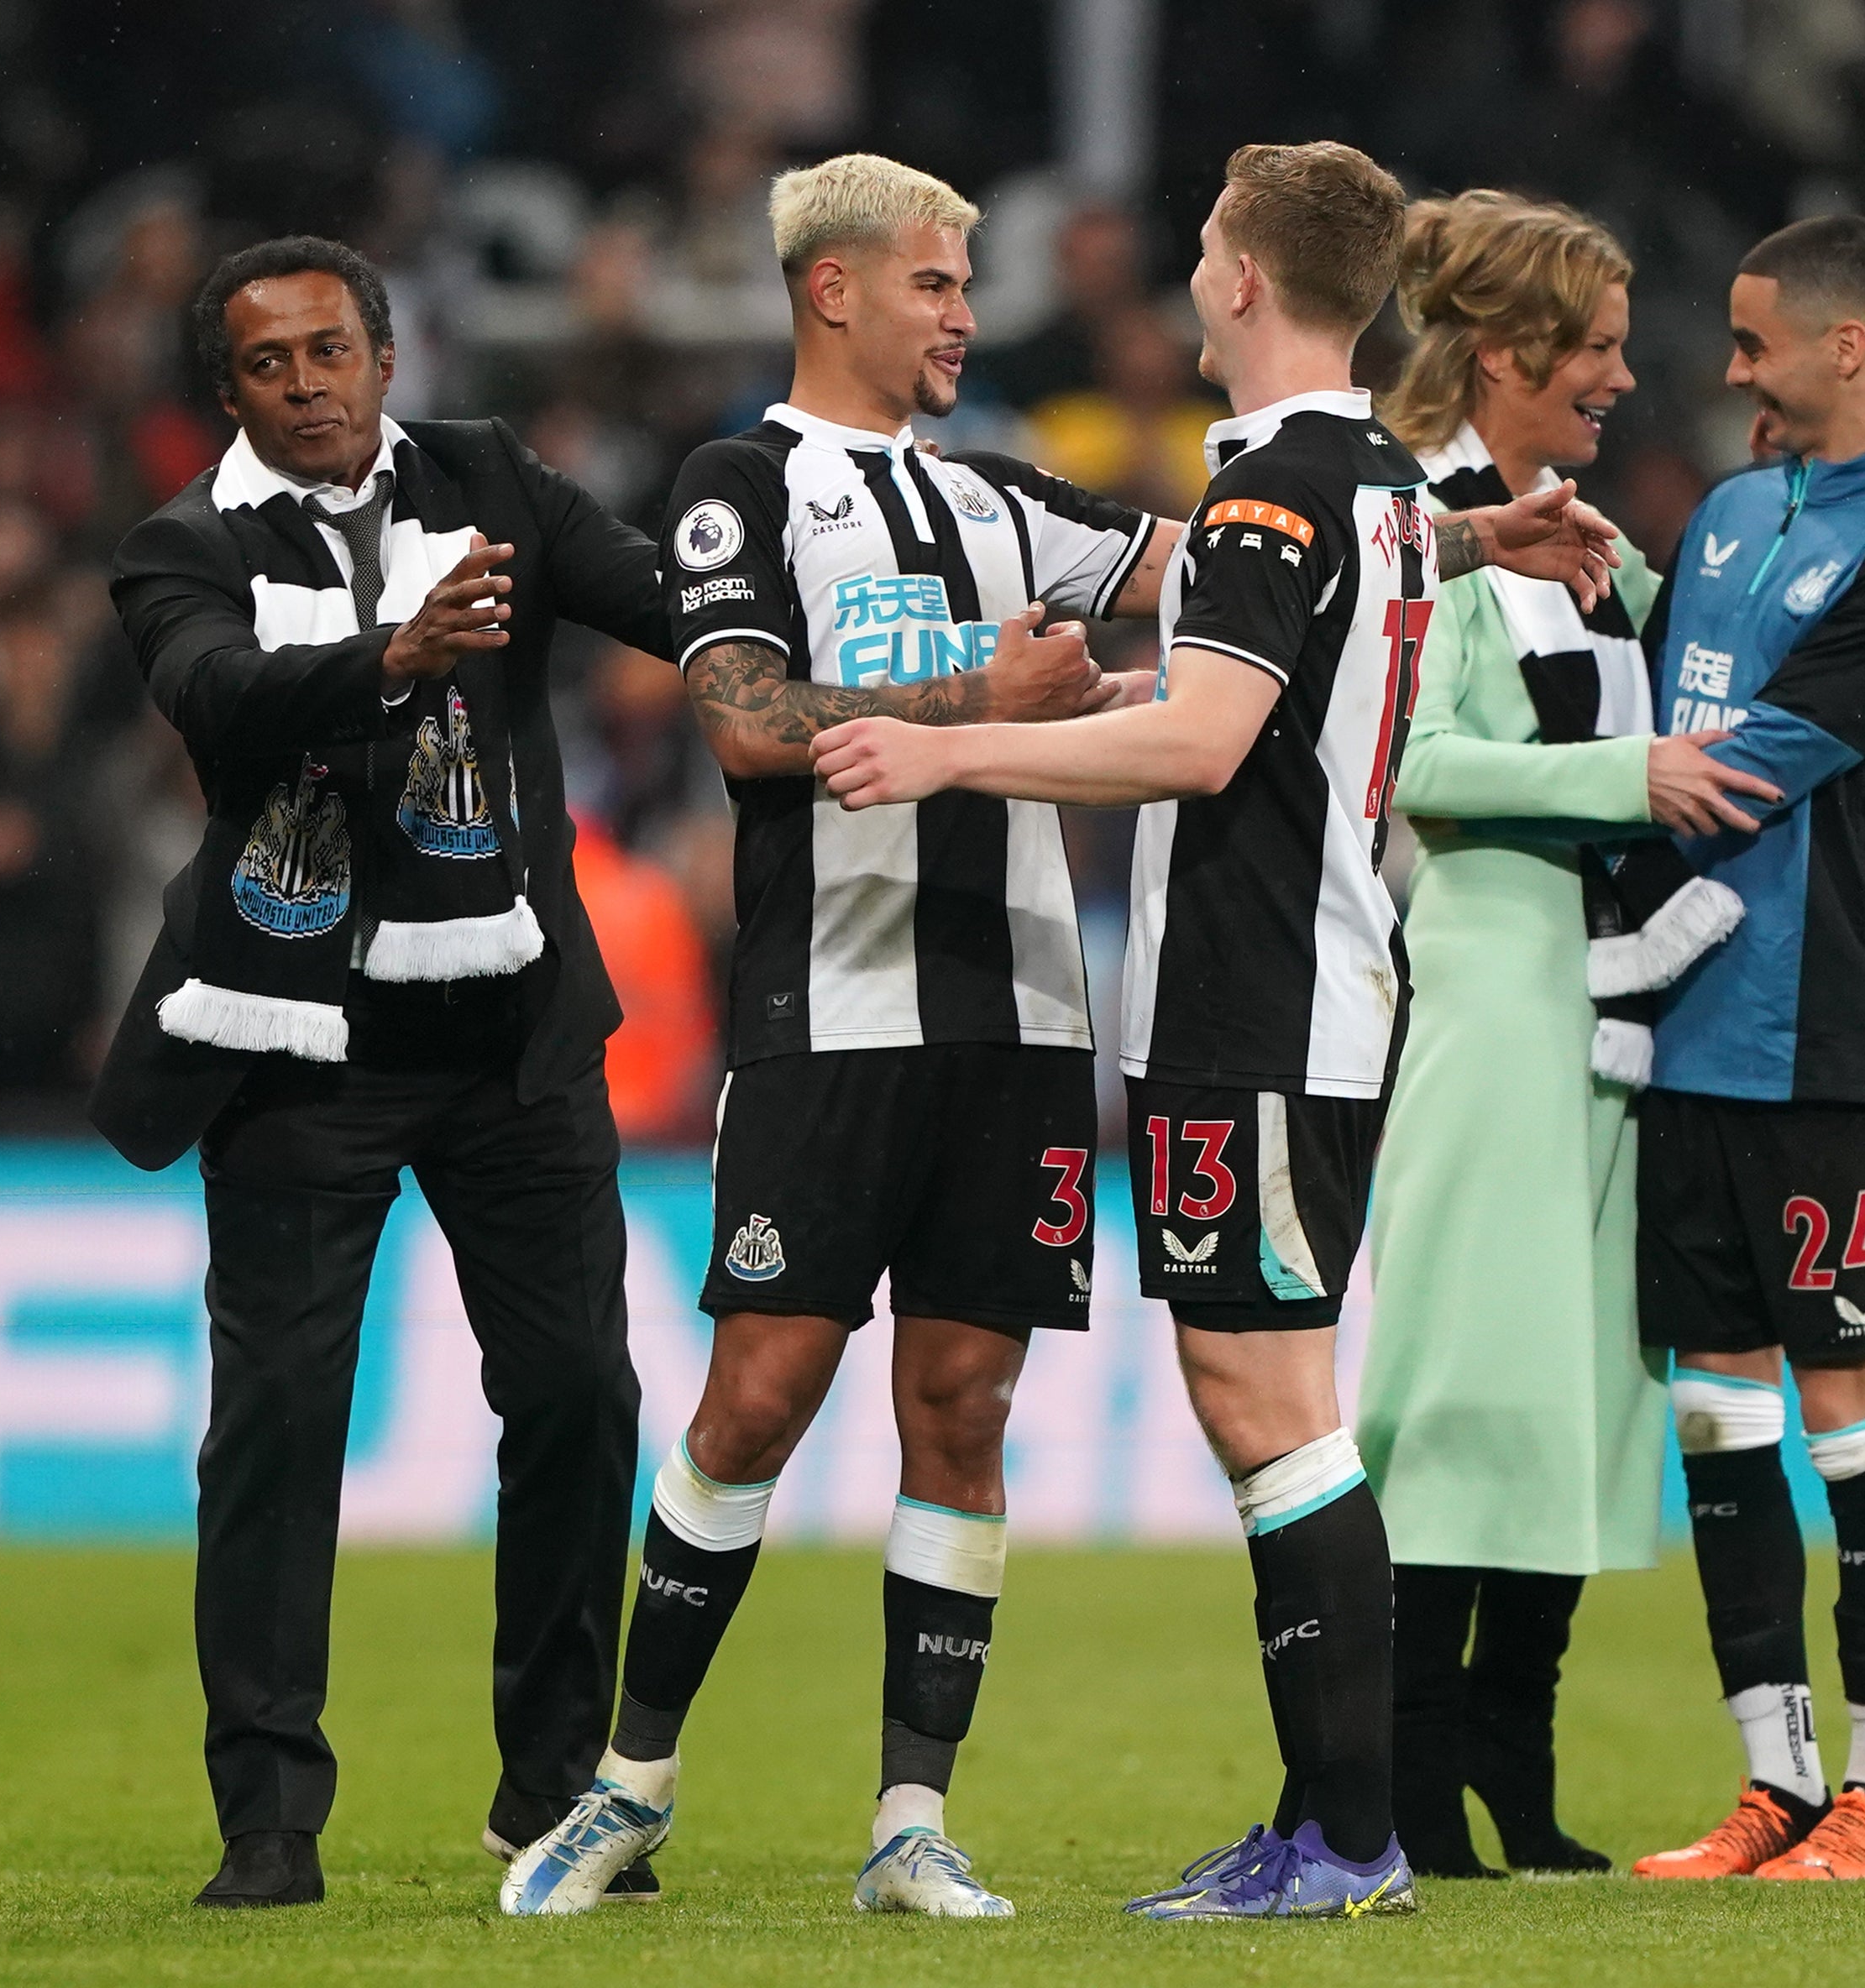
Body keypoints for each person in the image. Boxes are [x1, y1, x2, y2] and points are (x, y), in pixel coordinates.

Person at [809, 141, 1715, 1921]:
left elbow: (1206, 742)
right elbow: (1274, 695)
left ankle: (1349, 1834)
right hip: (1322, 996)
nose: (1192, 277)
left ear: (1236, 280)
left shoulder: (1274, 497)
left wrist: (945, 747)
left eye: (1207, 250)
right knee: (1274, 1398)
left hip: (1258, 1002)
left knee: (1270, 1405)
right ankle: (1322, 1821)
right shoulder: (1377, 485)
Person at [500, 154, 1173, 1922]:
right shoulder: (741, 486)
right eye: (938, 283)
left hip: (1025, 1016)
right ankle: (627, 1784)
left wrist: (1457, 533)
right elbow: (740, 721)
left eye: (967, 284)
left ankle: (908, 1819)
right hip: (832, 1012)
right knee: (759, 1396)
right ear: (835, 292)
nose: (965, 311)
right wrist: (979, 699)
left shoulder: (1014, 495)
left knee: (963, 1400)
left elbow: (1244, 570)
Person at [88, 235, 673, 1910]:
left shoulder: (497, 482)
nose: (307, 382)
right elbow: (216, 692)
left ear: (386, 353)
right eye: (269, 363)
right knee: (276, 1422)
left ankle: (555, 1784)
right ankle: (268, 1815)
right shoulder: (176, 546)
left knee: (578, 1392)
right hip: (297, 1052)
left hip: (505, 1036)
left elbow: (654, 593)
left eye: (330, 349)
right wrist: (394, 662)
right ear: (229, 392)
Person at [1358, 191, 1768, 1880]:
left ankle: (1508, 1772)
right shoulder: (1416, 528)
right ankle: (1399, 1777)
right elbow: (1413, 764)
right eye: (1593, 346)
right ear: (1509, 350)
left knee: (1571, 1400)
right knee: (1461, 1400)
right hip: (1478, 1003)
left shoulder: (1572, 537)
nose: (1617, 375)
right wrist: (1625, 777)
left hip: (1604, 1020)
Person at [1627, 215, 1865, 1883]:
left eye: (1755, 340)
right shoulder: (1718, 520)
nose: (1731, 371)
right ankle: (1771, 1778)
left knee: (1852, 1421)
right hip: (1691, 1039)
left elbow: (1747, 763)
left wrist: (1603, 837)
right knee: (1718, 1420)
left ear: (1850, 345)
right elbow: (1654, 710)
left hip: (1829, 1032)